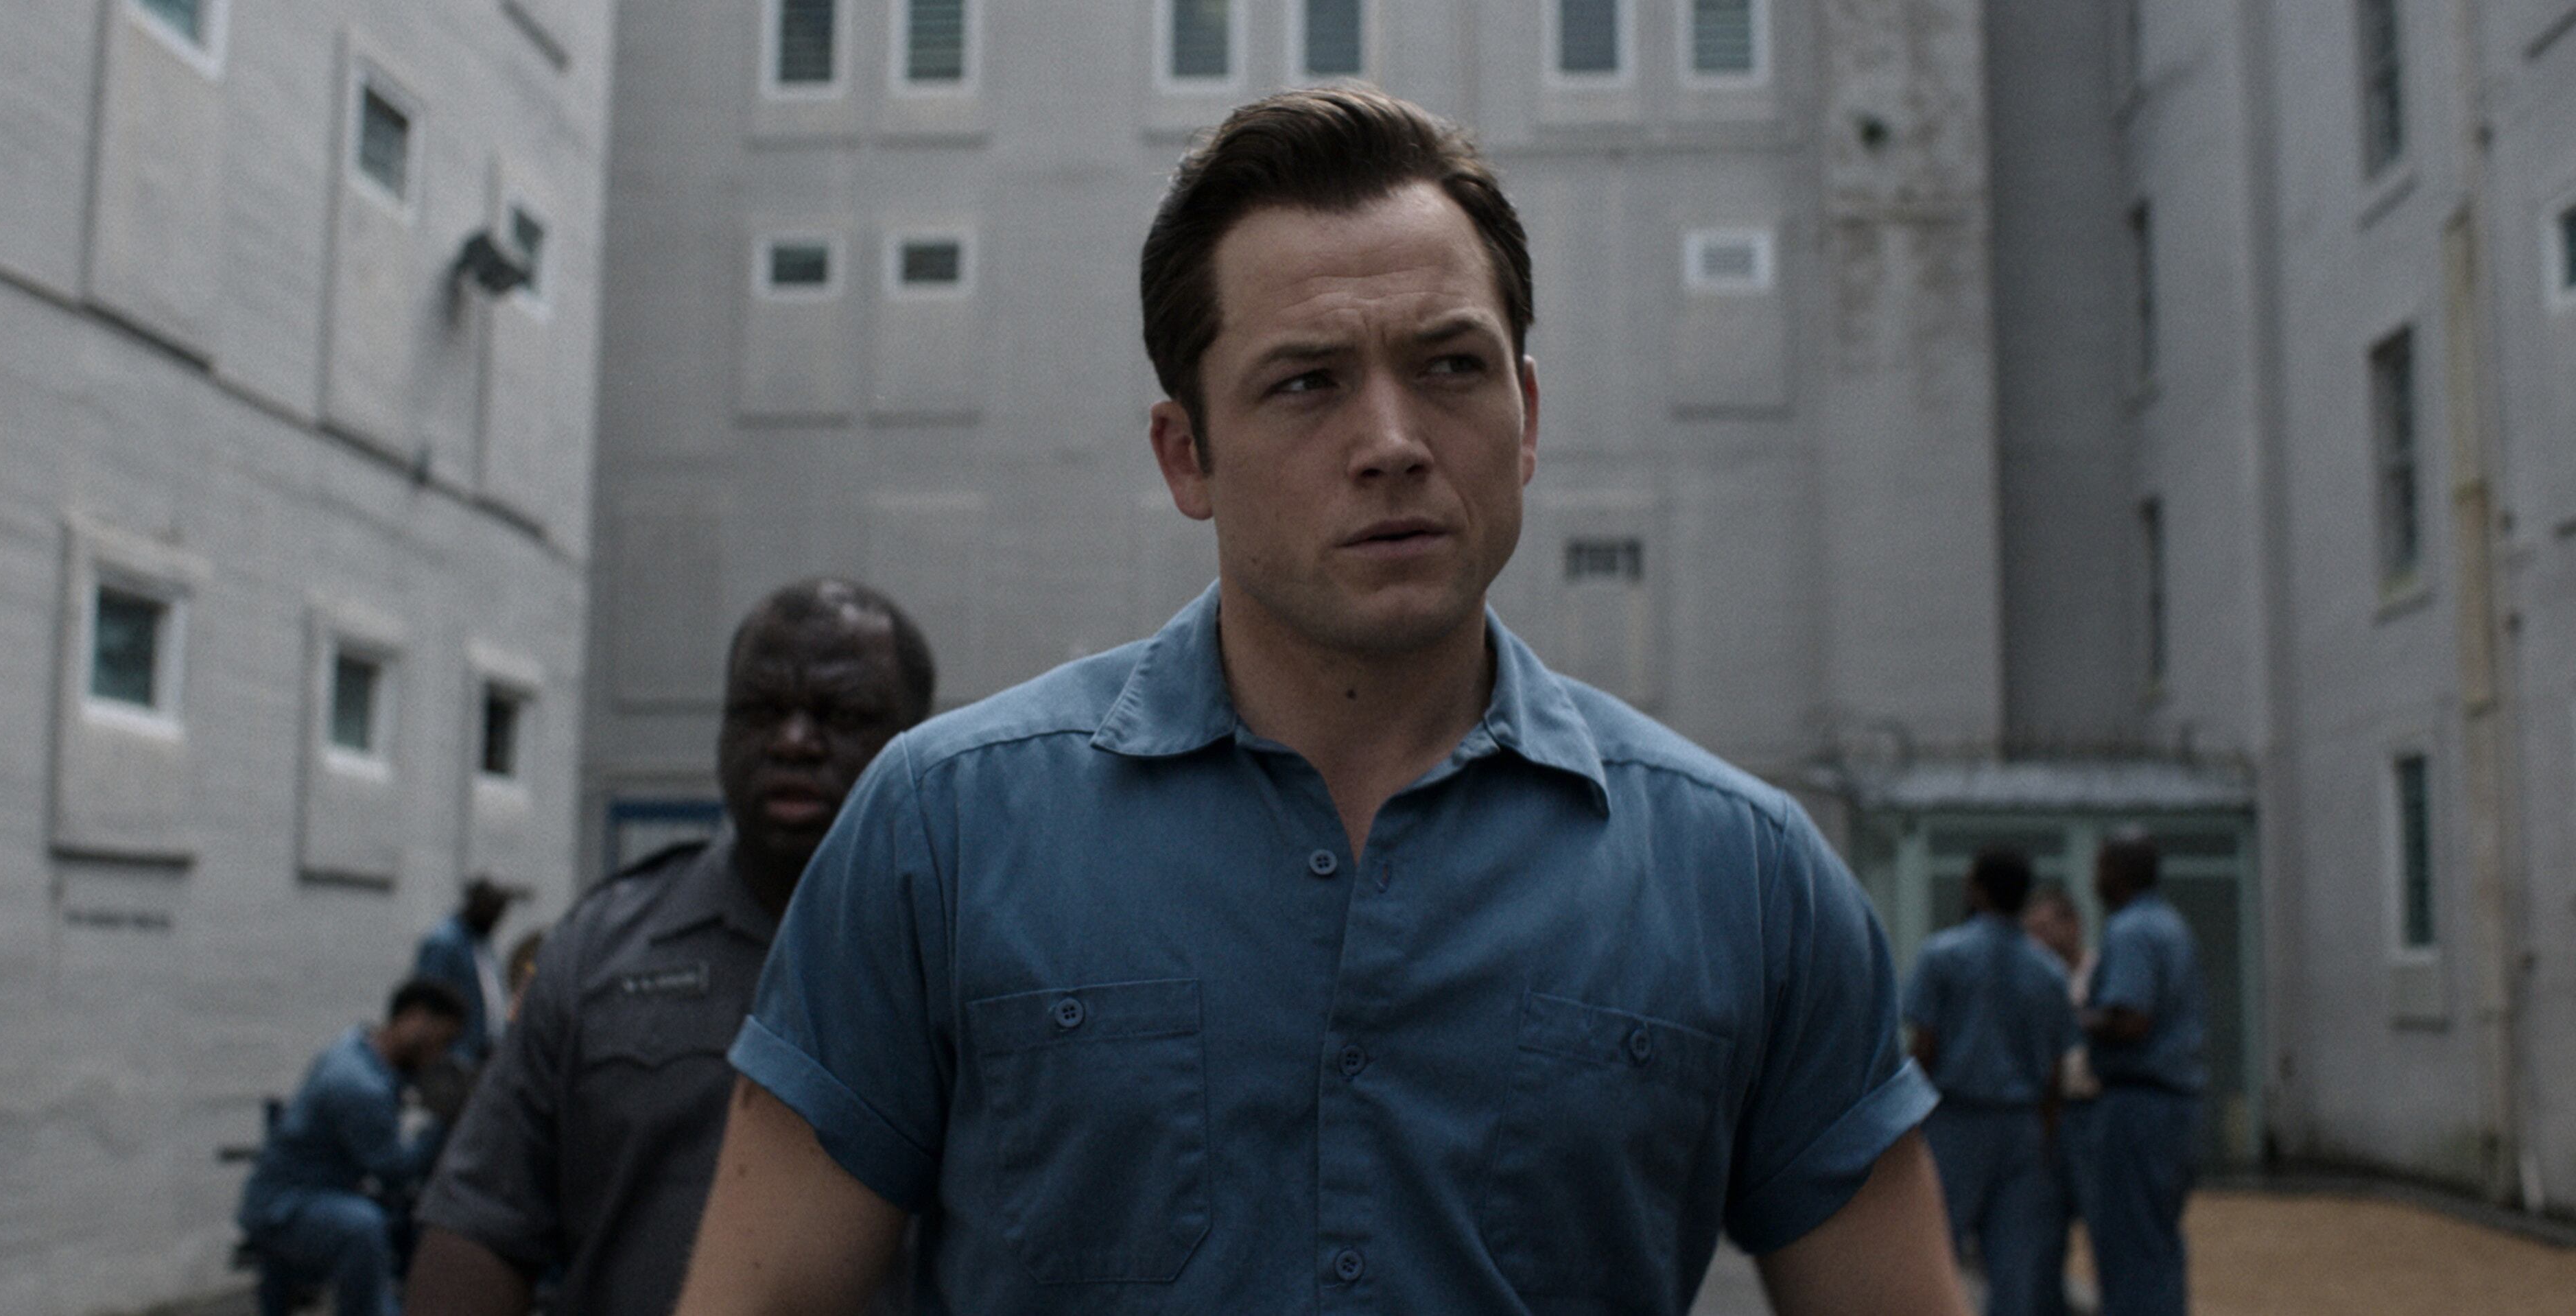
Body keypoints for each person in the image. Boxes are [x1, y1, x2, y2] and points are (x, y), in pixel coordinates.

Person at [674, 87, 1961, 1316]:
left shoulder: (1743, 875)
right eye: (1308, 381)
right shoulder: (944, 833)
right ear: (1187, 454)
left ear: (1524, 415)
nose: (1393, 440)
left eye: (1450, 365)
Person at [404, 579, 935, 1316]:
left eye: (841, 715)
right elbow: (482, 1224)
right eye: (759, 711)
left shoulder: (970, 961)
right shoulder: (599, 951)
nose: (793, 741)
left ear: (917, 740)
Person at [1903, 850, 2081, 1316]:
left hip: (1955, 1119)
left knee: (1934, 1252)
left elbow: (1925, 1047)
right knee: (2014, 1263)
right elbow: (2056, 1069)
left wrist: (1906, 1121)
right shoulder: (2048, 970)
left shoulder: (1943, 955)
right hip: (2022, 1124)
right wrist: (2045, 1132)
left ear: (1977, 890)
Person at [237, 977, 468, 1316]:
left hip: (308, 1195)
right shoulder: (359, 1084)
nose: (441, 1054)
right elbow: (395, 1170)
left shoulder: (359, 1047)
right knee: (363, 1227)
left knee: (388, 1215)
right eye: (443, 1040)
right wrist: (445, 1123)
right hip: (285, 1209)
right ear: (415, 1019)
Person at [2081, 833, 2208, 1315]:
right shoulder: (2170, 924)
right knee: (2157, 1242)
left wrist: (2077, 1018)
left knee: (2130, 1245)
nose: (2094, 878)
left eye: (2099, 866)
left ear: (2117, 872)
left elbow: (2132, 1019)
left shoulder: (2131, 929)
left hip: (2138, 1105)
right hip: (2173, 1104)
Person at [2026, 880, 2104, 1315]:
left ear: (2073, 925)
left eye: (2045, 928)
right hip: (2049, 1113)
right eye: (2030, 931)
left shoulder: (2101, 974)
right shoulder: (2036, 981)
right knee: (2043, 1234)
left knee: (2105, 1227)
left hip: (2093, 1110)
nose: (2037, 940)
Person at [414, 878, 519, 1068]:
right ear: (477, 904)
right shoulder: (444, 942)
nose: (498, 918)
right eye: (494, 909)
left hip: (481, 1056)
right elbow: (429, 1000)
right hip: (454, 1058)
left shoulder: (481, 943)